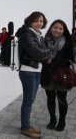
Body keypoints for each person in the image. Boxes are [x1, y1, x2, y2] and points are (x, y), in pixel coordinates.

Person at [15, 11, 52, 139]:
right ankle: (25, 128)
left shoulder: (38, 35)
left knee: (30, 100)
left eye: (41, 21)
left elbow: (42, 52)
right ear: (30, 21)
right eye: (36, 20)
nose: (39, 23)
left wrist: (45, 53)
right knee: (28, 101)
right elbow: (37, 52)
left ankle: (27, 124)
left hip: (36, 71)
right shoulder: (26, 35)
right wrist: (48, 52)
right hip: (28, 71)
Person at [40, 20, 75, 132]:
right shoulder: (44, 41)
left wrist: (56, 61)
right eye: (55, 27)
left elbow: (71, 59)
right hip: (48, 74)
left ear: (63, 31)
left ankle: (62, 120)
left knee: (62, 99)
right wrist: (46, 60)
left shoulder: (68, 42)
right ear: (51, 28)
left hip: (62, 74)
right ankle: (52, 119)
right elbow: (39, 55)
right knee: (50, 99)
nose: (57, 30)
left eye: (60, 28)